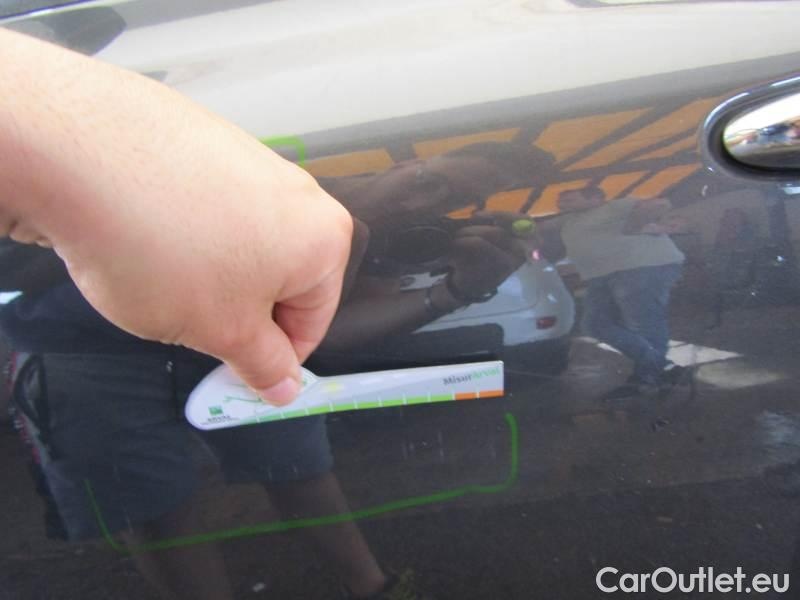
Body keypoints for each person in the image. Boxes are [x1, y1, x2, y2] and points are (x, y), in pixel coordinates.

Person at [555, 186, 686, 397]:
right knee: (594, 324)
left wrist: (636, 224)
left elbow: (659, 204)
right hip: (601, 275)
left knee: (643, 322)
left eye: (569, 199)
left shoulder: (615, 206)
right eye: (560, 200)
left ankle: (648, 378)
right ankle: (662, 368)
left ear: (595, 198)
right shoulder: (570, 222)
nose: (561, 203)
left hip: (640, 267)